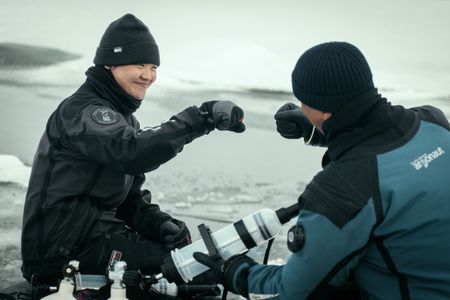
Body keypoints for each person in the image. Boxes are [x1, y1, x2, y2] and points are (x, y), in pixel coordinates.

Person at [193, 42, 450, 299]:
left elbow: (296, 290)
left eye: (304, 101)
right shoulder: (433, 120)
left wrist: (234, 271)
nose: (302, 106)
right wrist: (316, 132)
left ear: (324, 110)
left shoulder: (342, 190)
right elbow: (385, 140)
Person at [20, 13, 246, 286]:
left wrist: (159, 224)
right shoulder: (85, 112)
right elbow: (132, 150)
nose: (148, 75)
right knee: (191, 273)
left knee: (191, 266)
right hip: (63, 251)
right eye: (139, 64)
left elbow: (127, 197)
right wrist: (203, 117)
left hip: (91, 238)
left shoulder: (120, 117)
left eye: (153, 67)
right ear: (109, 65)